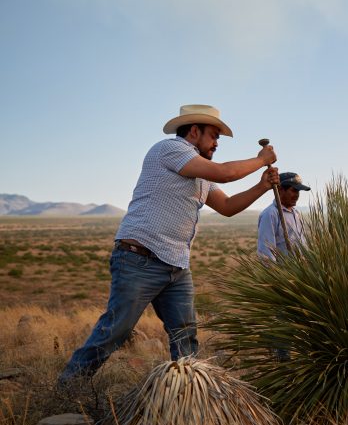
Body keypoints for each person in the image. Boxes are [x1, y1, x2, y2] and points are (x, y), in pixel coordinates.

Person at [59, 104, 280, 383]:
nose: (216, 144)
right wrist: (262, 159)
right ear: (194, 131)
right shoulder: (170, 150)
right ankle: (69, 386)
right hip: (140, 258)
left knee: (185, 335)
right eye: (213, 136)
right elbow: (225, 172)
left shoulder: (200, 172)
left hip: (176, 264)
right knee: (115, 330)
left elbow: (226, 206)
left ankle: (187, 395)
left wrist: (261, 186)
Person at [257, 172, 310, 260]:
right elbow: (266, 252)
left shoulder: (296, 213)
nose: (297, 195)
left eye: (298, 191)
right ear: (280, 190)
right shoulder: (270, 214)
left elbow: (302, 243)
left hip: (301, 270)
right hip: (285, 271)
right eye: (294, 190)